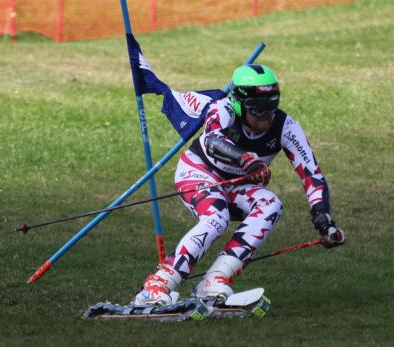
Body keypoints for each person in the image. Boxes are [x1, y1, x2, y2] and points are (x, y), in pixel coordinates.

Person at [133, 64, 345, 306]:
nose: (265, 117)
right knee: (216, 218)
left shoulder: (287, 126)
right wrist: (246, 160)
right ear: (239, 102)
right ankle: (157, 284)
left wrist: (323, 219)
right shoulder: (222, 108)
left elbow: (312, 175)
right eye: (257, 109)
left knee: (271, 204)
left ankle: (213, 282)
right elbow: (213, 140)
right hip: (198, 171)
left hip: (233, 186)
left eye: (270, 107)